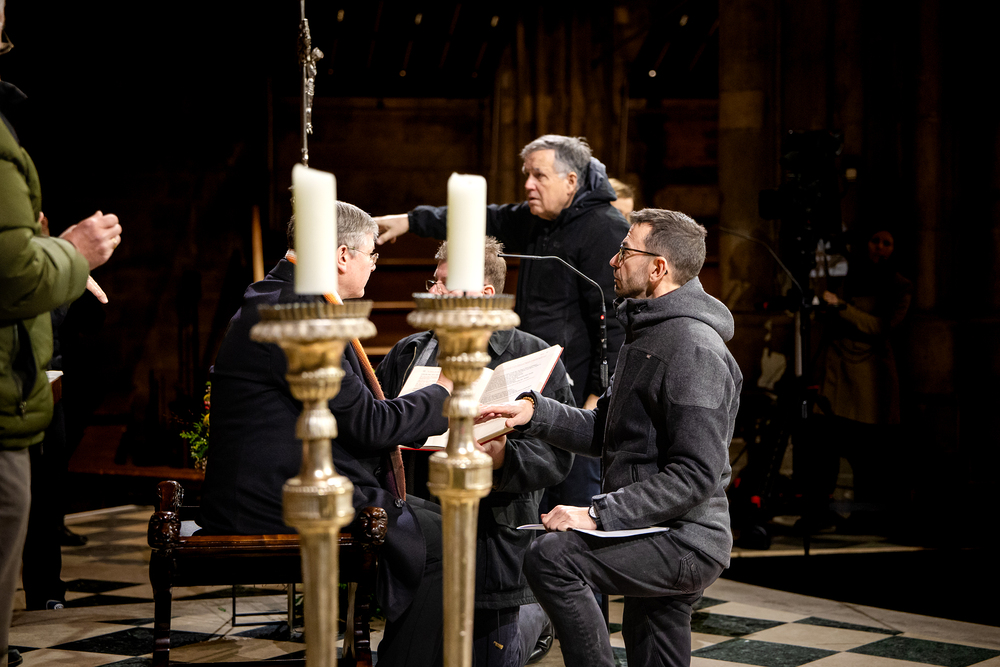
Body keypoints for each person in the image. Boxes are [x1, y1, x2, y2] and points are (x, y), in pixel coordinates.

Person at [478, 209, 742, 667]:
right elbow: (606, 430)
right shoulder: (649, 331)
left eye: (625, 251)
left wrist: (597, 514)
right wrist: (535, 414)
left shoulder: (693, 346)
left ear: (658, 268)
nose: (613, 260)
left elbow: (695, 474)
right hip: (655, 527)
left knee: (553, 557)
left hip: (684, 537)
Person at [197, 201, 451, 667]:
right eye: (372, 254)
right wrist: (444, 393)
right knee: (442, 540)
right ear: (342, 255)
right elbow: (369, 425)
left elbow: (353, 415)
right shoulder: (300, 312)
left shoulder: (280, 295)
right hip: (274, 498)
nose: (374, 264)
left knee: (433, 521)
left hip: (277, 485)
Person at [374, 134, 629, 514]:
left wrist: (596, 398)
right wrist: (410, 221)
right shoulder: (538, 219)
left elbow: (613, 318)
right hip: (521, 364)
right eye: (526, 174)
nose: (528, 184)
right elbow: (482, 216)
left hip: (568, 386)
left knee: (565, 500)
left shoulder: (603, 227)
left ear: (571, 181)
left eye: (539, 175)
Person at [376, 237, 575, 667]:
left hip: (492, 542)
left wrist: (503, 459)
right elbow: (376, 427)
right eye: (434, 282)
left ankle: (534, 618)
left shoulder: (532, 355)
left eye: (449, 284)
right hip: (418, 535)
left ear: (486, 294)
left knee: (488, 655)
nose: (435, 293)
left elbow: (558, 457)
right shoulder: (410, 352)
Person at [1, 7, 122, 661]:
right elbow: (20, 284)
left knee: (42, 497)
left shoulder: (53, 263)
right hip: (19, 383)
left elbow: (87, 321)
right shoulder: (37, 257)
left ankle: (46, 588)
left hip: (45, 385)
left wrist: (77, 278)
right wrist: (70, 259)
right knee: (23, 498)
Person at [797, 227, 912, 533]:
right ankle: (819, 513)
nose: (879, 248)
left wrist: (842, 308)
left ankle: (865, 518)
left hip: (868, 382)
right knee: (823, 447)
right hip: (835, 376)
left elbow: (882, 326)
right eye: (875, 241)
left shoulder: (899, 285)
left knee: (867, 455)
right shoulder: (847, 276)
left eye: (887, 243)